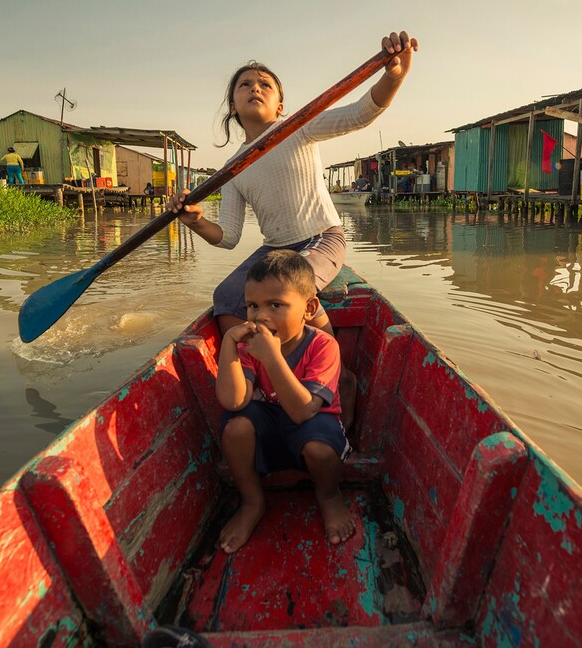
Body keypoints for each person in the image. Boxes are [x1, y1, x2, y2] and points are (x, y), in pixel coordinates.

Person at [167, 31, 417, 430]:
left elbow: (361, 113)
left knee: (291, 286)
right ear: (233, 106)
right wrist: (195, 221)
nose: (255, 88)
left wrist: (394, 75)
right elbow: (228, 236)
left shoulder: (298, 127)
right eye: (245, 85)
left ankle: (338, 377)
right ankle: (261, 371)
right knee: (226, 296)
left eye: (265, 84)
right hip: (276, 247)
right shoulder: (233, 168)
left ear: (280, 104)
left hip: (322, 237)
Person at [216, 250, 351, 553]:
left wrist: (273, 358)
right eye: (252, 306)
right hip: (271, 427)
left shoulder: (323, 345)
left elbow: (304, 411)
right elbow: (233, 400)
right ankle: (252, 501)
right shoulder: (251, 346)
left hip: (311, 424)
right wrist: (229, 344)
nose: (260, 316)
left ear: (309, 308)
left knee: (320, 449)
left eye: (275, 305)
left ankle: (329, 496)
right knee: (235, 428)